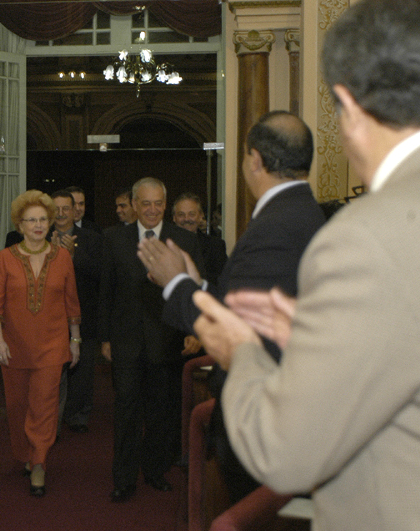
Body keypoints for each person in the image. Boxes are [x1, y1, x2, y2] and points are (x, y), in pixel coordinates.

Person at [188, 2, 420, 529]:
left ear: (347, 104)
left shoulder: (365, 236)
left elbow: (284, 452)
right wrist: (320, 345)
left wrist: (243, 352)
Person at [138, 112, 326, 502]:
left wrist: (175, 283)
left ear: (254, 160)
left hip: (265, 419)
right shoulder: (302, 213)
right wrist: (197, 284)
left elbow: (236, 334)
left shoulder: (275, 227)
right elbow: (249, 307)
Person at [99, 177, 204, 501]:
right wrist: (104, 337)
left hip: (166, 339)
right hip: (126, 341)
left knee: (162, 411)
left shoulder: (182, 239)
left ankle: (155, 470)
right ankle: (124, 478)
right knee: (126, 410)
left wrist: (193, 330)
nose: (152, 209)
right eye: (146, 203)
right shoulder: (113, 238)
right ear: (133, 204)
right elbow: (106, 291)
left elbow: (192, 289)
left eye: (158, 203)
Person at [0, 190, 81, 497]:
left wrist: (75, 340)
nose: (38, 225)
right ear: (20, 224)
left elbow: (71, 303)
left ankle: (39, 462)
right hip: (14, 346)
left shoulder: (63, 257)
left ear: (50, 222)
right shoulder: (5, 258)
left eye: (43, 219)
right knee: (17, 407)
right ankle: (28, 454)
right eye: (31, 220)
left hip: (53, 346)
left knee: (44, 406)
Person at [49, 190, 102, 433]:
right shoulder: (40, 237)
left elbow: (99, 273)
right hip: (51, 317)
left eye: (65, 209)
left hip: (84, 314)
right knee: (53, 372)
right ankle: (53, 420)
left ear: (74, 211)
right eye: (56, 209)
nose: (60, 214)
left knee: (82, 369)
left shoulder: (91, 238)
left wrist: (72, 256)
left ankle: (78, 415)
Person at [171, 192, 227, 285]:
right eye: (181, 214)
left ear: (201, 216)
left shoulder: (216, 246)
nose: (186, 219)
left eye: (191, 214)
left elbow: (222, 282)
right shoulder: (163, 244)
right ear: (174, 218)